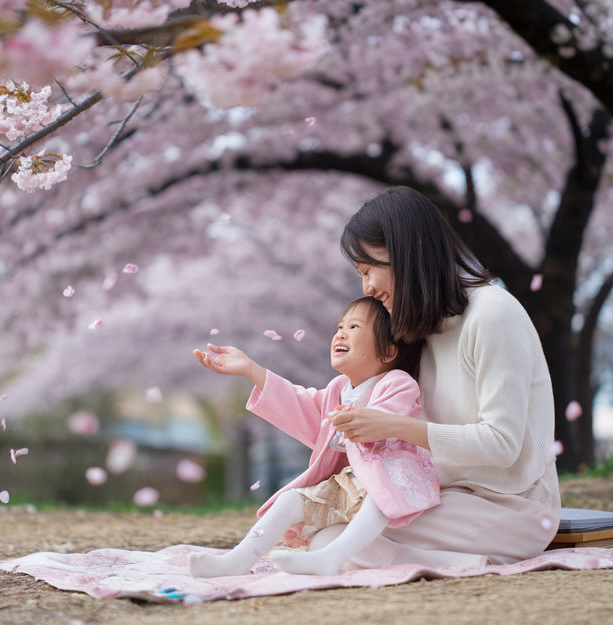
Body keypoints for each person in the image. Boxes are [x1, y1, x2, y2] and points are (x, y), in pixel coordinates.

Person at [321, 185, 560, 569]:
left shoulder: (492, 314)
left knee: (341, 540)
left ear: (404, 253)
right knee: (327, 533)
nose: (367, 288)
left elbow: (503, 445)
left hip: (514, 505)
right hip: (443, 496)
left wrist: (393, 426)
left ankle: (451, 561)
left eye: (368, 270)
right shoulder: (416, 329)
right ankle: (457, 561)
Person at [188, 296, 440, 578]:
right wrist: (251, 369)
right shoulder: (338, 389)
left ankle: (331, 557)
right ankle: (236, 561)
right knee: (290, 500)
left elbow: (386, 420)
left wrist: (355, 419)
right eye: (340, 327)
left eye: (354, 327)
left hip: (389, 478)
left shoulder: (398, 382)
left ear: (387, 351)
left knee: (379, 497)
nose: (340, 333)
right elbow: (300, 403)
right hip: (348, 483)